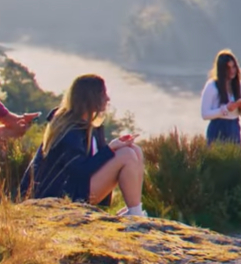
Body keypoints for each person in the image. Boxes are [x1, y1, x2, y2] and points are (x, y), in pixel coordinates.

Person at [19, 74, 147, 217]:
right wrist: (110, 148)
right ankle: (135, 214)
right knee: (127, 155)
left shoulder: (91, 127)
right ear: (91, 98)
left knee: (134, 150)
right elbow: (79, 171)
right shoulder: (69, 131)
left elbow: (96, 161)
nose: (107, 99)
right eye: (103, 94)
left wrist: (116, 146)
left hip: (75, 189)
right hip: (59, 197)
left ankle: (134, 209)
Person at [200, 49, 241, 145]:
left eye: (233, 67)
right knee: (215, 154)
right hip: (217, 128)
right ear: (221, 70)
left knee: (234, 155)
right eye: (228, 68)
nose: (232, 71)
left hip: (234, 128)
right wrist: (225, 109)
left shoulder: (240, 85)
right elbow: (205, 114)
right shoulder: (211, 86)